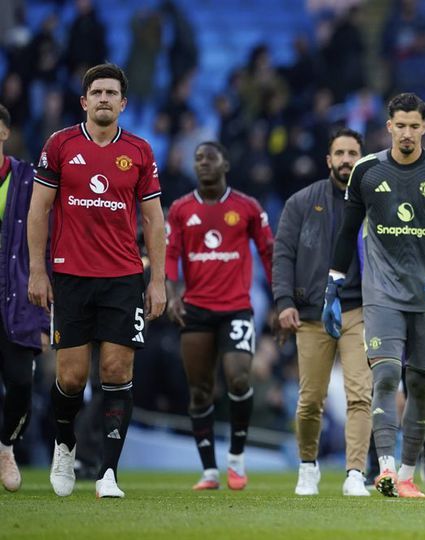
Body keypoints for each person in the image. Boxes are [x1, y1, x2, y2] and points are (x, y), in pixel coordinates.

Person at [27, 63, 166, 498]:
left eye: (111, 93)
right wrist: (37, 270)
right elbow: (38, 211)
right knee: (70, 378)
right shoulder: (60, 145)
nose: (104, 98)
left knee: (116, 370)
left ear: (123, 103)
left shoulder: (140, 151)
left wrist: (158, 280)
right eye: (97, 92)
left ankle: (108, 473)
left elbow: (153, 219)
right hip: (70, 276)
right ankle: (64, 445)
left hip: (123, 277)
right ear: (84, 101)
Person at [323, 92, 425, 498]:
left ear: (424, 128)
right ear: (389, 126)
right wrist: (333, 285)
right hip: (381, 293)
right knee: (386, 375)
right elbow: (346, 232)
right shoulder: (367, 171)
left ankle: (407, 474)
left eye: (414, 126)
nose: (406, 133)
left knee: (420, 384)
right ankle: (385, 468)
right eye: (400, 126)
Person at [165, 141, 273, 490]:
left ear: (225, 164)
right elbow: (170, 255)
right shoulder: (180, 209)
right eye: (198, 158)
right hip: (195, 309)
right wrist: (172, 295)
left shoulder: (247, 207)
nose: (203, 163)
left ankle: (236, 458)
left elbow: (268, 252)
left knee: (239, 378)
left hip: (236, 308)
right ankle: (209, 470)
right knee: (200, 391)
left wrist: (280, 298)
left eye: (210, 158)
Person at [272, 128, 372, 497]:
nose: (346, 160)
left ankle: (355, 472)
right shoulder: (301, 202)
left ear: (362, 159)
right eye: (340, 153)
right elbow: (283, 253)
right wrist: (284, 302)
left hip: (359, 309)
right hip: (312, 313)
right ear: (328, 159)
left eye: (352, 153)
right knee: (311, 399)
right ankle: (307, 465)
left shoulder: (375, 202)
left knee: (360, 395)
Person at [0, 104, 50, 492]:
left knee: (20, 383)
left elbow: (46, 245)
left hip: (16, 299)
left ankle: (6, 447)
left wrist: (45, 316)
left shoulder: (28, 180)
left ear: (4, 132)